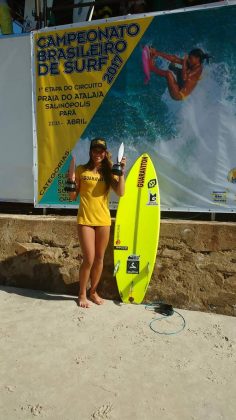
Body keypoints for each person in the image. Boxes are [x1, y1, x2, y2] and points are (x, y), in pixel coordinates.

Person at [68, 138, 126, 308]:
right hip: (85, 220)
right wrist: (71, 180)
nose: (98, 154)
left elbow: (121, 192)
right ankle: (82, 293)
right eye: (95, 150)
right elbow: (72, 197)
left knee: (99, 258)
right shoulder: (81, 170)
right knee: (89, 259)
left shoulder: (109, 172)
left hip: (103, 221)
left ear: (105, 152)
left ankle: (93, 291)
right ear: (91, 152)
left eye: (101, 151)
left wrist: (122, 171)